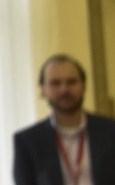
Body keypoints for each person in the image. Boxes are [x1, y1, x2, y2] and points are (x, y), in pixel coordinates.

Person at [12, 53, 115, 184]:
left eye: (71, 82)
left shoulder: (111, 132)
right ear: (43, 89)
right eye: (55, 83)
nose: (64, 90)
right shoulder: (27, 141)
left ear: (83, 86)